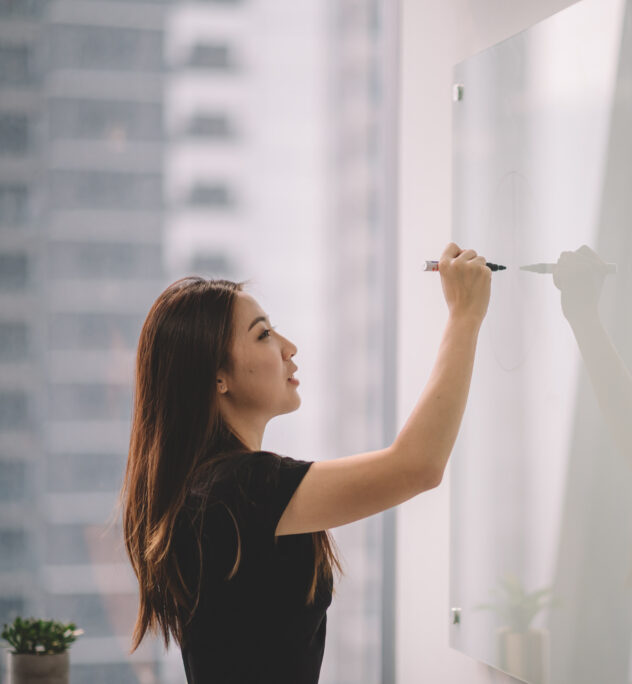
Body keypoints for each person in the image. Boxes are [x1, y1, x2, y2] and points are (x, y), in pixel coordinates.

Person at [119, 242, 491, 683]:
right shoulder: (240, 488)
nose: (289, 348)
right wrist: (464, 317)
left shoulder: (212, 489)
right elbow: (417, 466)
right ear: (217, 377)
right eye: (263, 335)